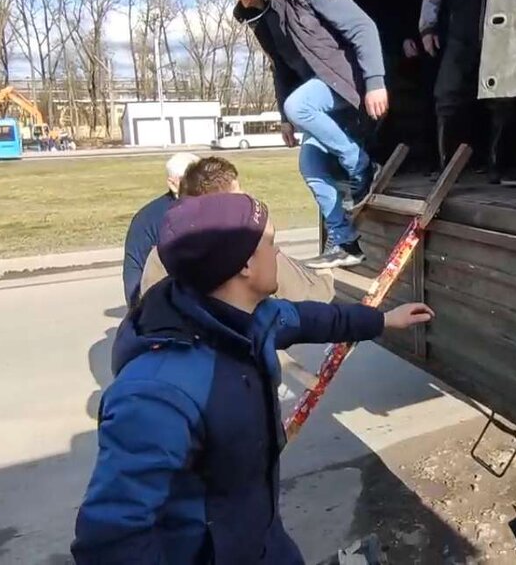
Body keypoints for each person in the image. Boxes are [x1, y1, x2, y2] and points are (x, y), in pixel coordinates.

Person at [71, 193, 434, 564]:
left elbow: (308, 318)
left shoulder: (249, 315)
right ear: (244, 264)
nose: (278, 253)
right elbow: (110, 539)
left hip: (260, 536)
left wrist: (383, 320)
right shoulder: (158, 393)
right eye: (271, 242)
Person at [221, 0, 388, 270]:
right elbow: (280, 67)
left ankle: (361, 165)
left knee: (300, 106)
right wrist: (284, 116)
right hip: (318, 91)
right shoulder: (264, 15)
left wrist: (376, 81)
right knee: (309, 164)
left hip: (350, 80)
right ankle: (346, 243)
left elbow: (362, 26)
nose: (243, 1)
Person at [136, 156, 336, 304]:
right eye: (238, 196)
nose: (246, 198)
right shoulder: (242, 245)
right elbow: (308, 297)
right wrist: (326, 277)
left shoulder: (160, 254)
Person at [420, 0, 494, 175]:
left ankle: (499, 164)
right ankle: (449, 166)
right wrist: (427, 26)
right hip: (463, 27)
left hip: (503, 31)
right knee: (447, 94)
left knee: (500, 101)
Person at [122, 152, 199, 308]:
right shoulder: (147, 219)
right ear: (172, 183)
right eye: (192, 180)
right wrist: (137, 315)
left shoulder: (212, 209)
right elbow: (134, 270)